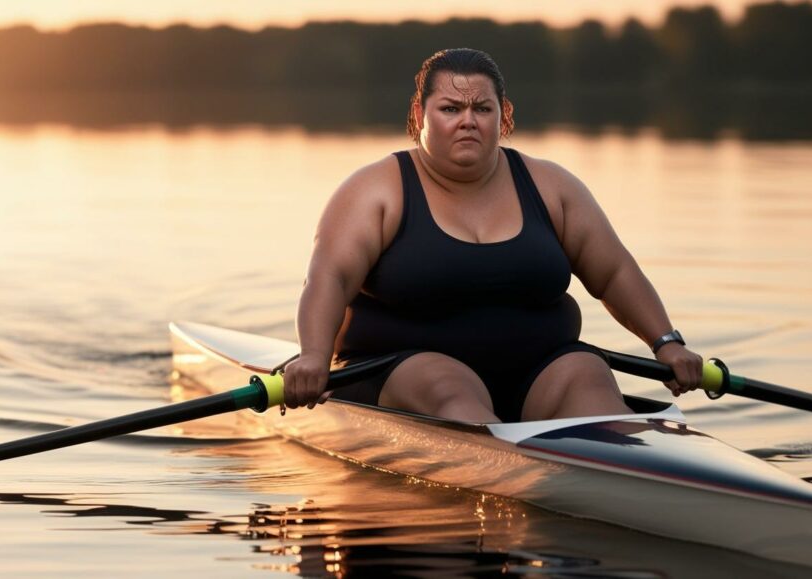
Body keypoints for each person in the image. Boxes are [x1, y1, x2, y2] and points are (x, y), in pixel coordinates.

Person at [283, 48, 703, 423]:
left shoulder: (552, 186)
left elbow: (613, 273)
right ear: (418, 115)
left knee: (590, 378)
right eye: (450, 109)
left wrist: (667, 344)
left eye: (481, 109)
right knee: (450, 389)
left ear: (504, 115)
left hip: (537, 371)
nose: (467, 121)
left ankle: (627, 463)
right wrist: (314, 357)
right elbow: (329, 279)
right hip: (406, 373)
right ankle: (502, 462)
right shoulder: (374, 190)